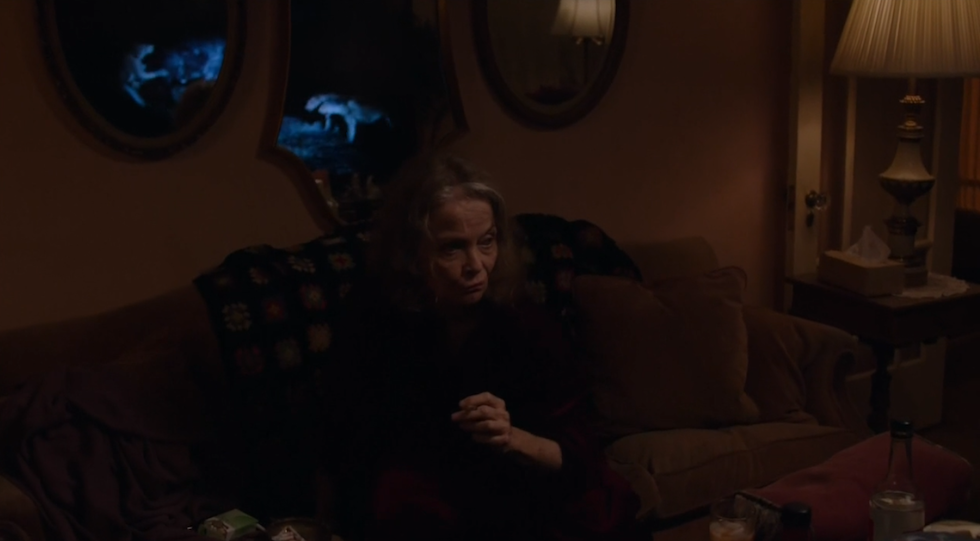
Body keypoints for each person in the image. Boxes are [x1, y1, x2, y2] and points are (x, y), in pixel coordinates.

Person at [319, 154, 643, 541]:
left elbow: (578, 459)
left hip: (519, 487)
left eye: (486, 242)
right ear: (411, 253)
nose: (476, 265)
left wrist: (510, 437)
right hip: (421, 498)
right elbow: (343, 442)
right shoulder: (373, 317)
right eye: (452, 248)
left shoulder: (525, 324)